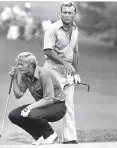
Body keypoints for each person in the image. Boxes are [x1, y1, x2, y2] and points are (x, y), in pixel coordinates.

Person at [43, 2, 81, 144]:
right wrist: (65, 63)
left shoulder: (76, 30)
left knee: (69, 105)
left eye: (69, 13)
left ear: (74, 14)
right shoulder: (53, 29)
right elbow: (47, 50)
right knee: (51, 104)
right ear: (61, 13)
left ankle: (69, 138)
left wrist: (76, 73)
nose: (66, 15)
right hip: (52, 69)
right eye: (64, 12)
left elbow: (75, 52)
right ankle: (45, 135)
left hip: (68, 72)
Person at [8, 52, 67, 145]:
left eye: (21, 64)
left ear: (31, 64)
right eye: (18, 64)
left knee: (31, 113)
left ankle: (50, 135)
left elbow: (49, 99)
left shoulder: (43, 74)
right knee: (14, 115)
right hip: (42, 106)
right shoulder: (25, 75)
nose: (19, 67)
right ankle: (39, 136)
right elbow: (18, 94)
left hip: (58, 107)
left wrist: (30, 107)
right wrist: (14, 78)